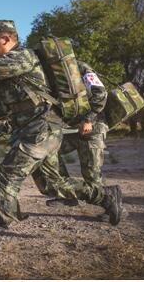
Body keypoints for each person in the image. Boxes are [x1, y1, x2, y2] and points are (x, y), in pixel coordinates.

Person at [0, 20, 122, 251]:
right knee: (52, 184)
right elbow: (14, 104)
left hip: (40, 130)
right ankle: (106, 196)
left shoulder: (22, 57)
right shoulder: (14, 66)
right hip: (36, 129)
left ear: (7, 39)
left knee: (9, 176)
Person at [48, 61, 113, 216]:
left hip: (93, 128)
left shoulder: (81, 69)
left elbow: (100, 94)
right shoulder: (54, 73)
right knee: (50, 151)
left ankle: (113, 208)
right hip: (72, 129)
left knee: (92, 174)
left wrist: (89, 120)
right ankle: (68, 195)